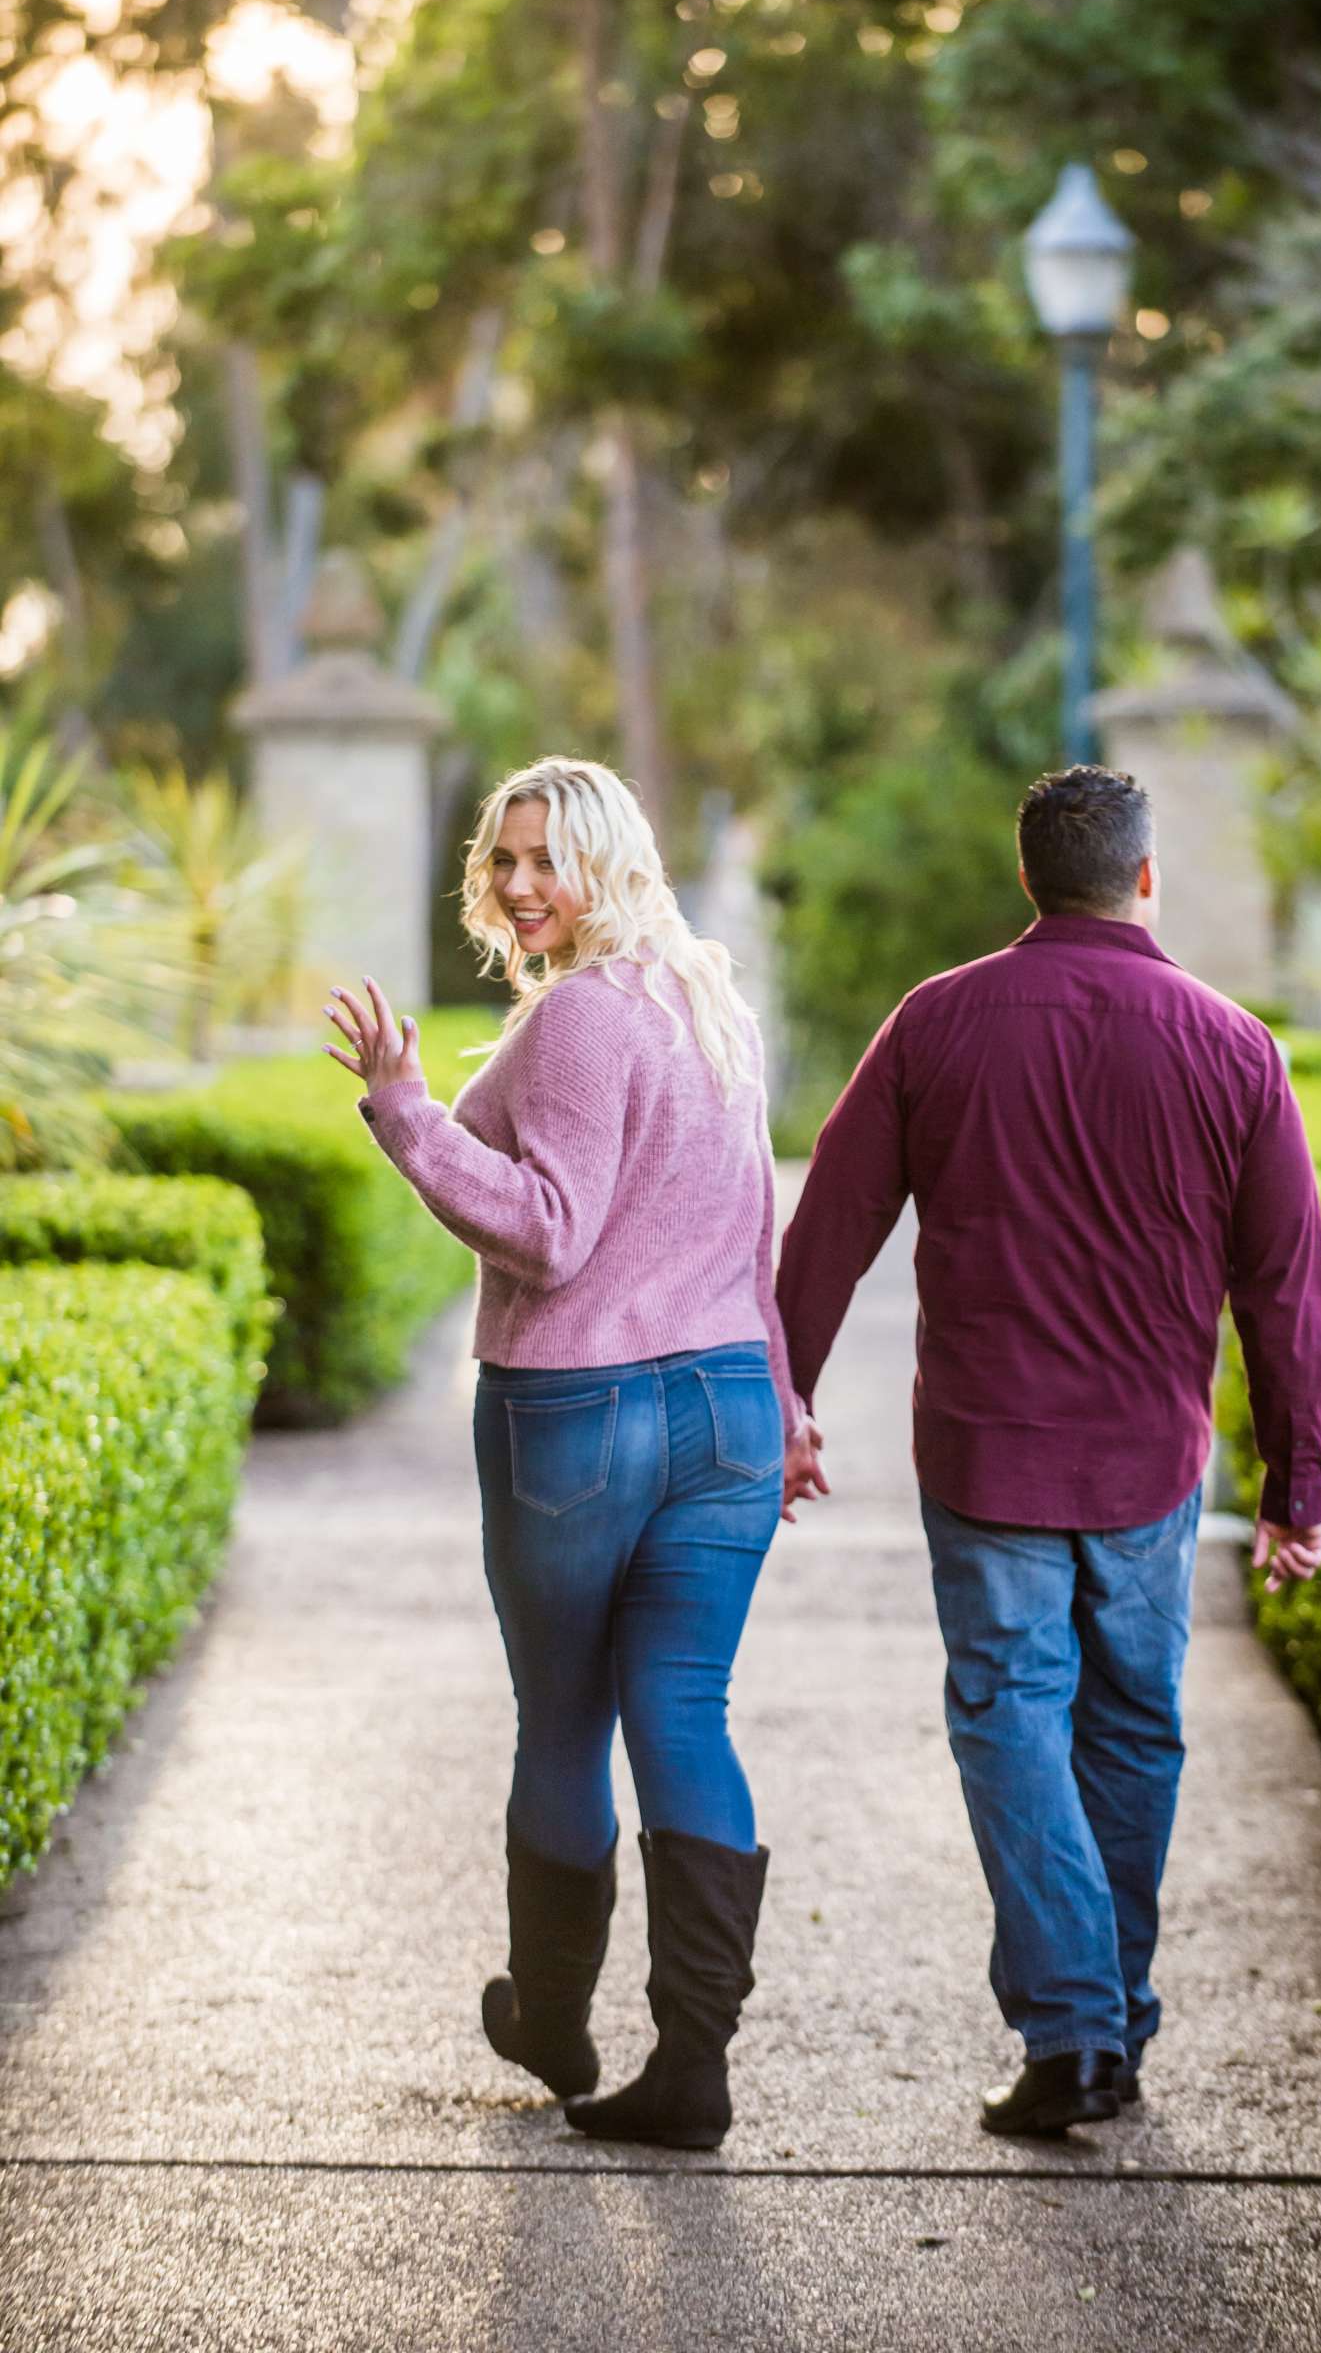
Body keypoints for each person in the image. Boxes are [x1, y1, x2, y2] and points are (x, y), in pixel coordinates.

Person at [774, 764, 1321, 2138]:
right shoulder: (1233, 1046)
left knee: (1010, 1715)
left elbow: (828, 1230)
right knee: (1131, 1725)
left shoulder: (937, 1022)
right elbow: (1286, 1290)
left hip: (986, 1453)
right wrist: (1299, 1486)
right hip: (1152, 1457)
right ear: (1147, 877)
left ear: (1024, 878)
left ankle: (1077, 2032)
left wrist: (782, 1398)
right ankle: (1107, 2025)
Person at [323, 756, 810, 2151]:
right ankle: (692, 2068)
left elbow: (549, 1230)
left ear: (610, 863)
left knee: (565, 1719)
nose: (522, 885)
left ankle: (551, 2021)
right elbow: (748, 1234)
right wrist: (784, 1403)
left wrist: (408, 1112)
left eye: (548, 859)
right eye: (504, 861)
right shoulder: (711, 1006)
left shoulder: (584, 1020)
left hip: (579, 1415)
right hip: (723, 1406)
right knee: (684, 1711)